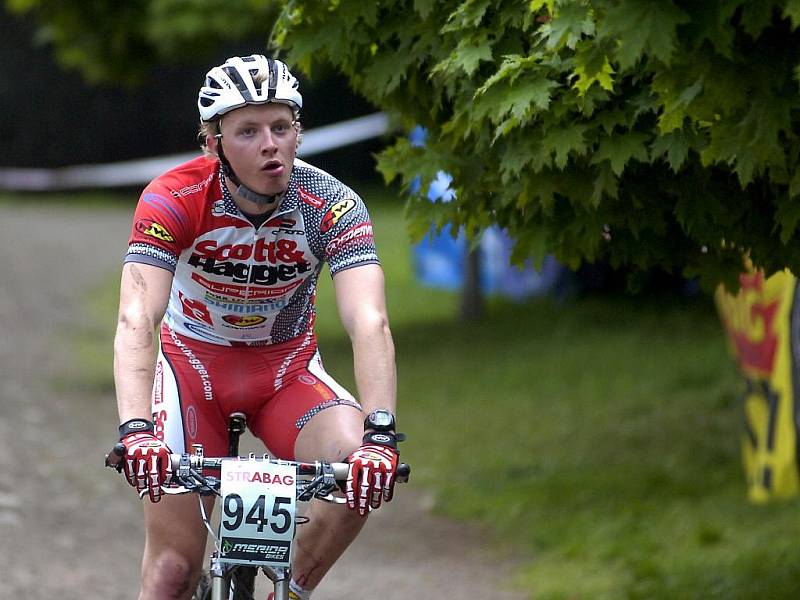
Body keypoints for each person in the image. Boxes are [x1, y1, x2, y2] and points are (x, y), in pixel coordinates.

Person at [113, 54, 400, 600]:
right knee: (172, 574)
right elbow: (136, 316)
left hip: (285, 374)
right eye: (247, 131)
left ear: (298, 133)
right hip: (190, 371)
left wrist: (382, 435)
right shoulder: (174, 197)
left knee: (359, 472)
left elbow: (370, 319)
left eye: (281, 126)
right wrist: (135, 430)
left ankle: (287, 591)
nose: (270, 143)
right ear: (212, 143)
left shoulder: (331, 205)